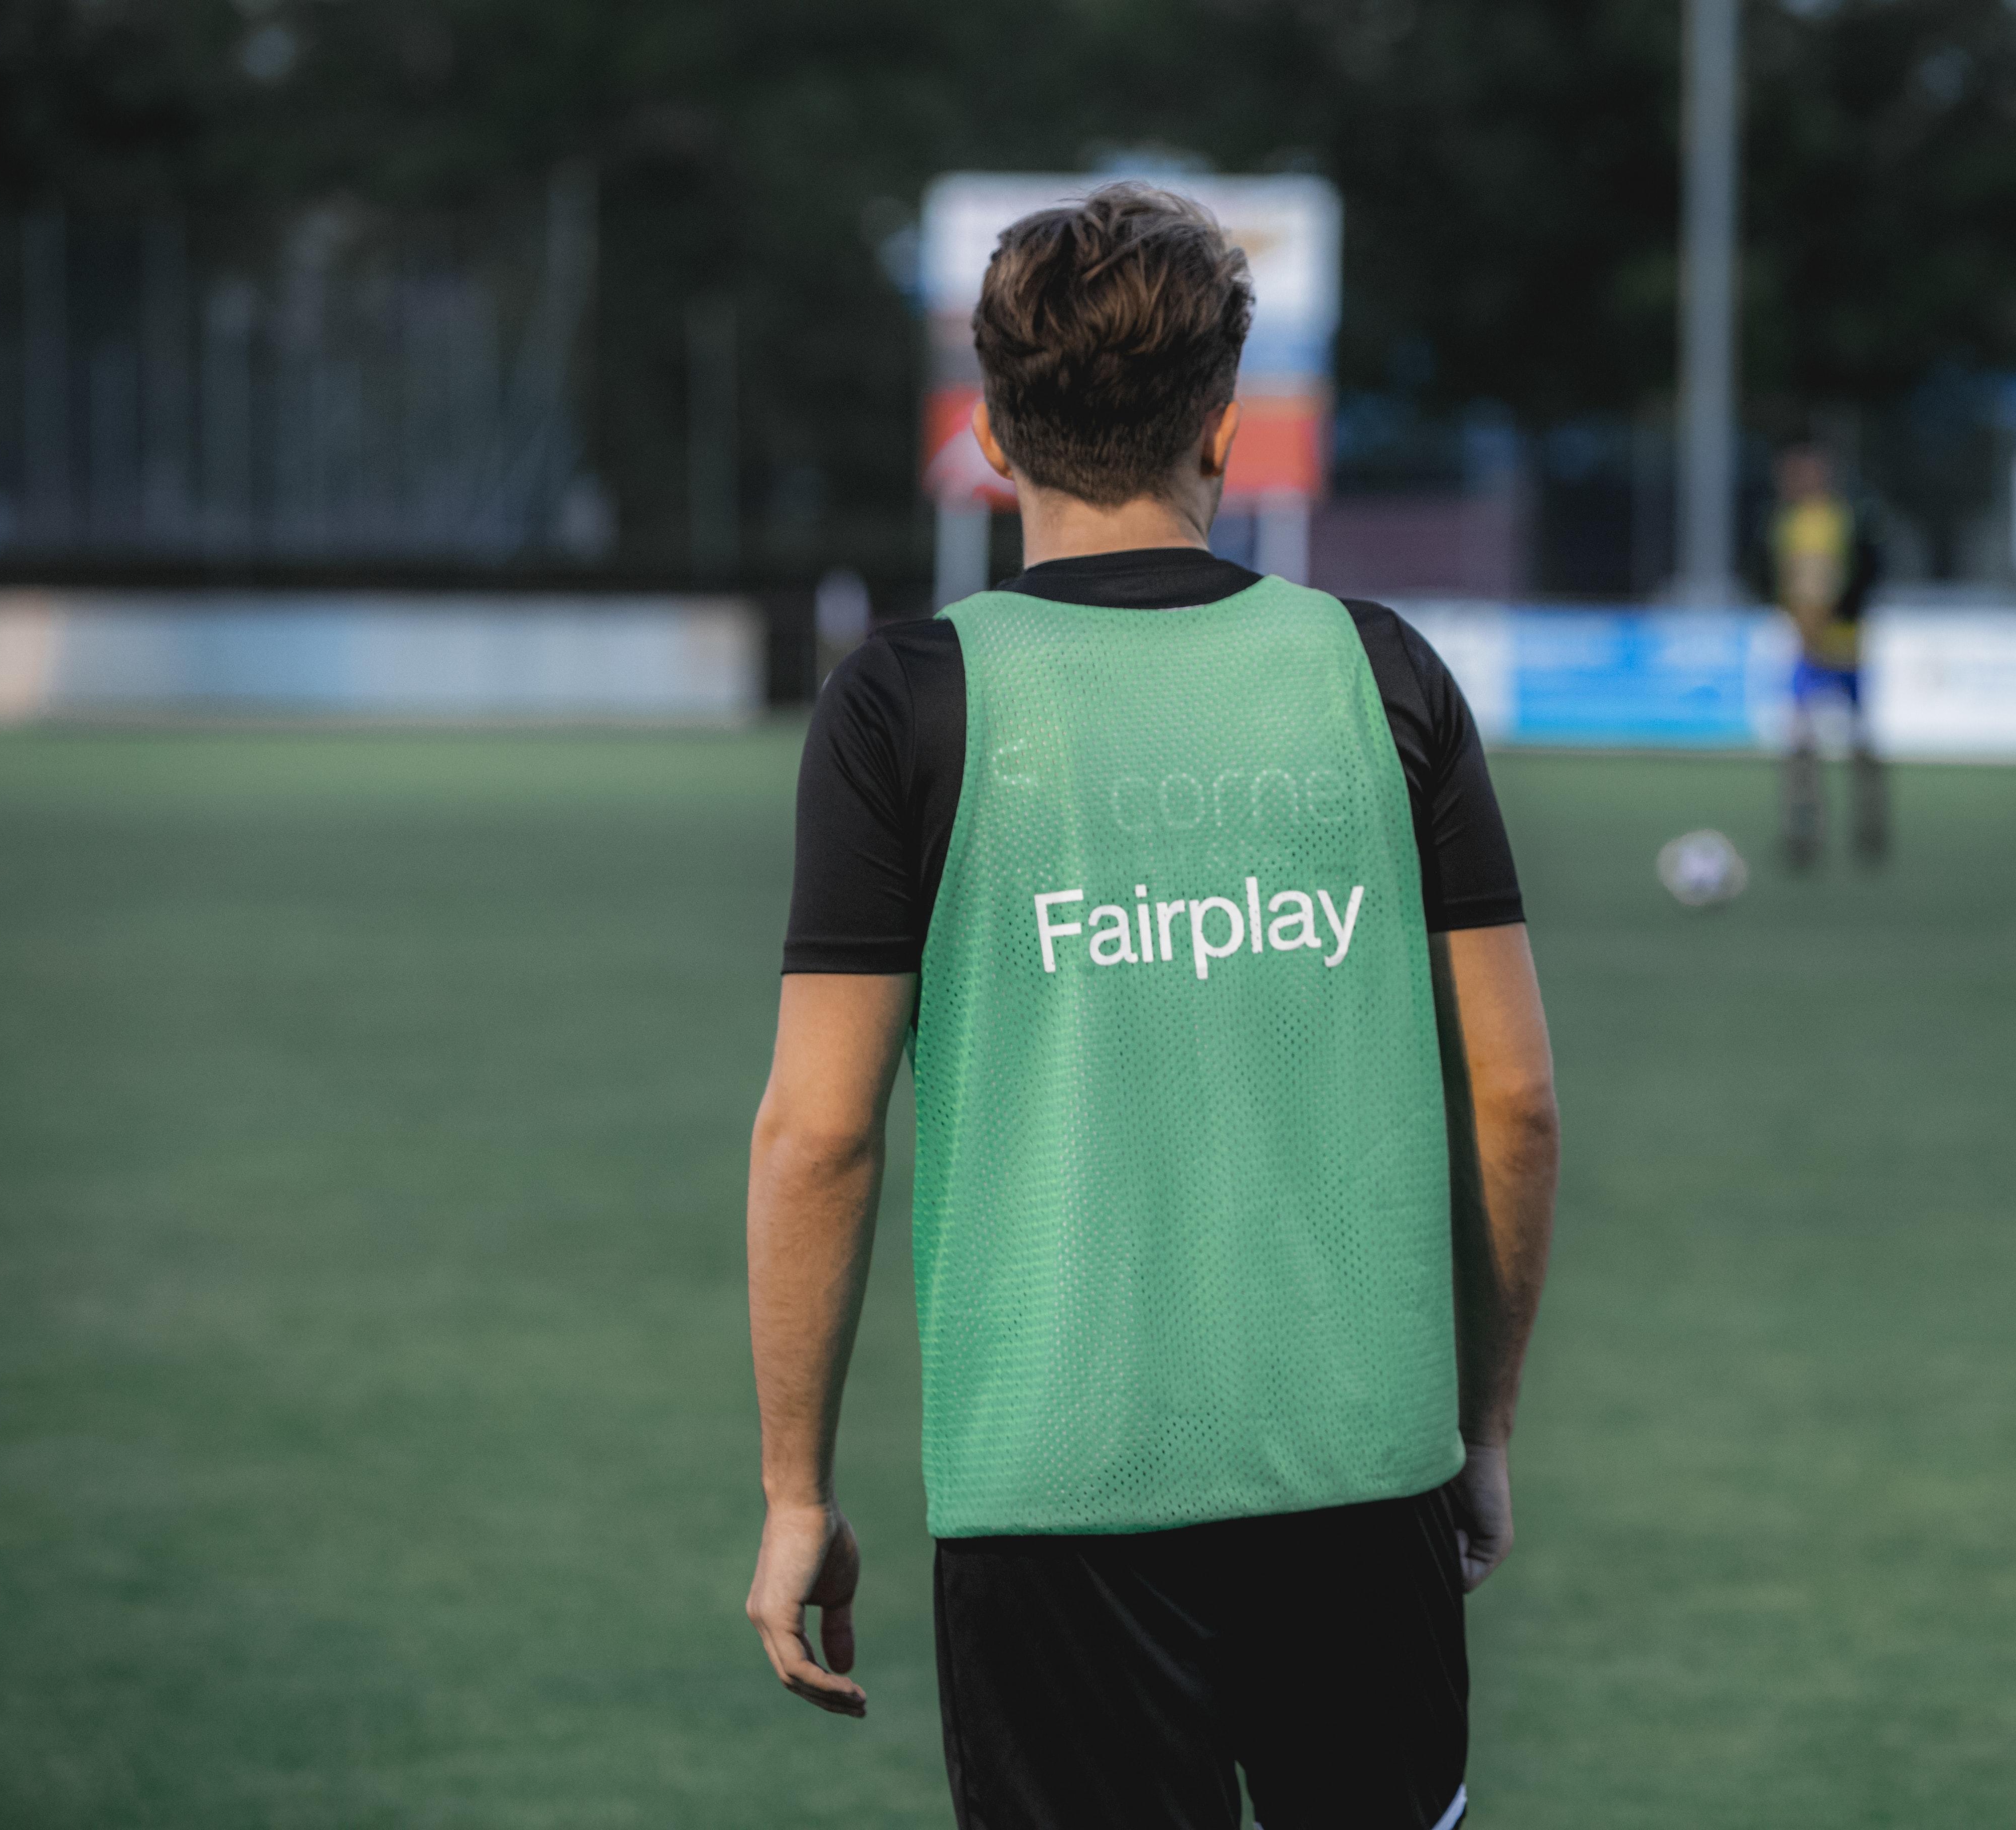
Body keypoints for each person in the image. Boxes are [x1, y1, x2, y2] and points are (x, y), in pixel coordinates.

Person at [742, 183, 1561, 1830]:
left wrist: (793, 1487)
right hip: (1359, 1462)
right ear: (1226, 425)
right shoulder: (1381, 669)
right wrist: (1479, 1420)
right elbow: (1518, 1100)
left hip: (1051, 1477)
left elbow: (821, 1131)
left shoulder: (907, 698)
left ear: (989, 426)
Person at [1755, 442, 1888, 869]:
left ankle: (1871, 825)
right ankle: (1803, 831)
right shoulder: (1783, 523)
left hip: (1847, 645)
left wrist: (1835, 613)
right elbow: (1773, 578)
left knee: (1861, 741)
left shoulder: (1846, 519)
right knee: (1800, 741)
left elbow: (1868, 573)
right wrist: (1795, 620)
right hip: (1806, 650)